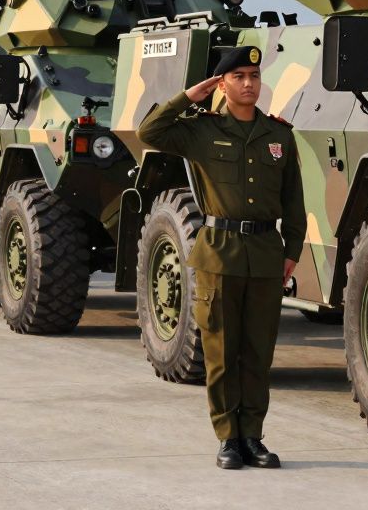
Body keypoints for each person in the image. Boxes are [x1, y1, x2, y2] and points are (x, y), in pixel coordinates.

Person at [136, 46, 306, 471]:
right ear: (223, 84)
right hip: (219, 254)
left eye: (254, 75)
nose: (249, 83)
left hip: (265, 254)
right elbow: (149, 132)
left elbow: (294, 201)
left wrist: (292, 252)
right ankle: (228, 437)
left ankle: (253, 437)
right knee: (221, 352)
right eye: (239, 76)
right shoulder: (201, 130)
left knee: (258, 353)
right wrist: (189, 97)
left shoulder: (279, 136)